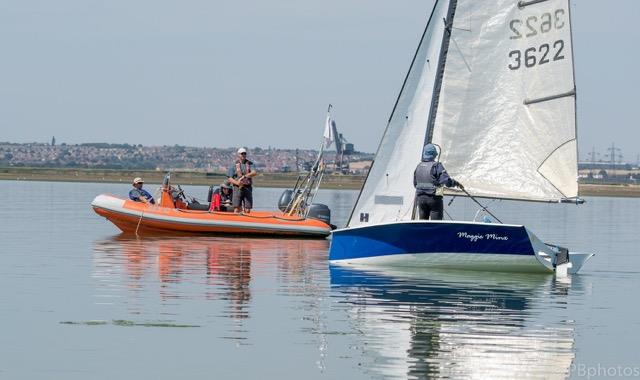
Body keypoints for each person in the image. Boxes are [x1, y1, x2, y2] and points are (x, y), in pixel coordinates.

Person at [413, 144, 462, 220]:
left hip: (421, 199)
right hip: (434, 199)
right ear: (435, 155)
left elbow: (415, 184)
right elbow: (447, 181)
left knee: (422, 224)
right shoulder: (437, 166)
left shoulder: (418, 166)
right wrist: (455, 183)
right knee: (435, 224)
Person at [227, 147, 257, 213]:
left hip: (247, 188)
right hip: (237, 188)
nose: (243, 155)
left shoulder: (250, 164)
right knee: (237, 208)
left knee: (247, 209)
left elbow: (254, 172)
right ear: (238, 154)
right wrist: (238, 183)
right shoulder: (233, 165)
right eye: (242, 153)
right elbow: (229, 178)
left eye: (244, 153)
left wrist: (244, 176)